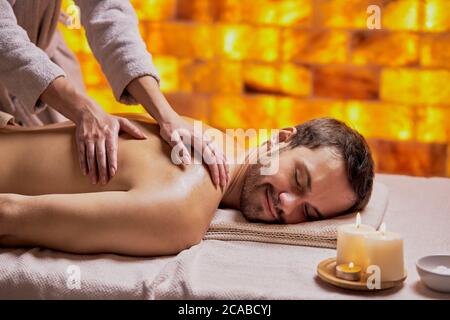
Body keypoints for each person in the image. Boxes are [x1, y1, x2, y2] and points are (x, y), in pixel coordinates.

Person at [0, 114, 374, 256]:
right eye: (298, 179)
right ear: (278, 140)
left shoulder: (207, 135)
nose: (287, 205)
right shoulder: (185, 206)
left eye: (308, 212)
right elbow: (9, 216)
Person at [0, 0, 228, 188]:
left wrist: (167, 115)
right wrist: (83, 110)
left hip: (43, 52)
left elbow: (108, 12)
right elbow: (4, 36)